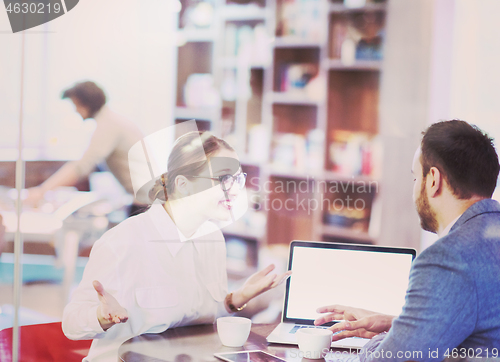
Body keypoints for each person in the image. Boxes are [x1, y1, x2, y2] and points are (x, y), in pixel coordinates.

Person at [62, 131, 292, 362]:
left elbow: (199, 320)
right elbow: (71, 324)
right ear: (183, 184)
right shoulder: (123, 241)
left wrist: (236, 298)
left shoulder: (213, 239)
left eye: (237, 179)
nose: (234, 190)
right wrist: (102, 317)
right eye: (223, 179)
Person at [314, 120, 500, 361]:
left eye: (415, 178)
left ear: (433, 180)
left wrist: (380, 341)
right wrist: (397, 324)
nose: (414, 190)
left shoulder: (447, 258)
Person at [27, 81, 146, 216]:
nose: (75, 110)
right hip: (144, 200)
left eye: (76, 104)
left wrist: (42, 191)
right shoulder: (110, 120)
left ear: (87, 103)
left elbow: (81, 167)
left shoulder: (108, 125)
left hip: (146, 203)